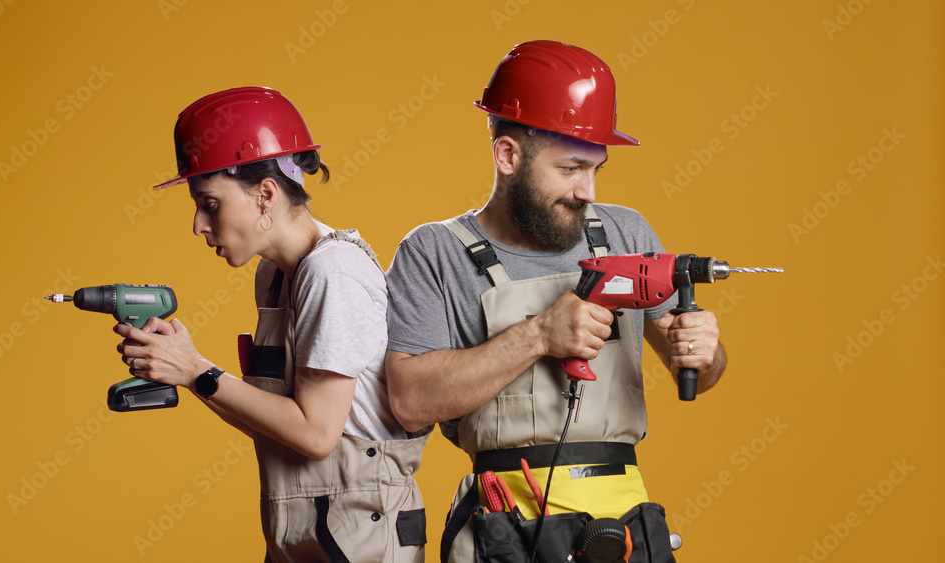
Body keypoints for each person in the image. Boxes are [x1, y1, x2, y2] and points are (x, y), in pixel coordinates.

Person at [383, 41, 727, 562]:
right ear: (508, 155)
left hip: (621, 522)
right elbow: (410, 403)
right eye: (569, 168)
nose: (587, 189)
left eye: (596, 169)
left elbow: (699, 374)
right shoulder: (433, 253)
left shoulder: (625, 232)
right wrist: (539, 334)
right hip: (506, 526)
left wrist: (705, 353)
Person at [114, 86, 429, 562]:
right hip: (306, 527)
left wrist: (199, 370)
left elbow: (317, 436)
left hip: (359, 534)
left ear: (265, 194)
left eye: (211, 203)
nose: (198, 224)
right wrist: (187, 371)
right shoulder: (276, 276)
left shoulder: (332, 272)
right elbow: (279, 425)